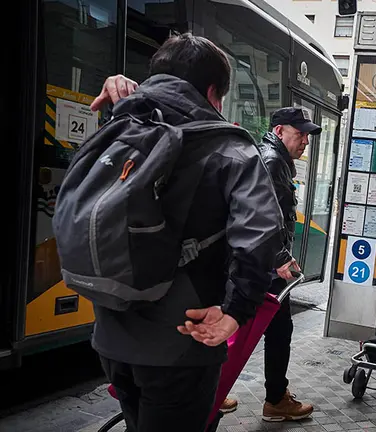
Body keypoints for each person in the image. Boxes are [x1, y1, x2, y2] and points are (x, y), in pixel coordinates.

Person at [88, 33, 284, 432]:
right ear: (212, 92)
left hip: (111, 334)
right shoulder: (229, 147)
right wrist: (235, 312)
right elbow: (262, 234)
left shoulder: (121, 125)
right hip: (183, 338)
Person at [255, 107, 320, 422]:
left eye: (307, 135)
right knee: (275, 331)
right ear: (279, 131)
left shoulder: (276, 160)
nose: (305, 141)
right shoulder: (272, 162)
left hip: (264, 262)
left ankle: (275, 396)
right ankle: (275, 400)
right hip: (266, 265)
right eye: (300, 133)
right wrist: (281, 258)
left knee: (269, 329)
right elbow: (262, 215)